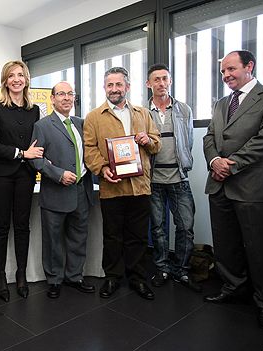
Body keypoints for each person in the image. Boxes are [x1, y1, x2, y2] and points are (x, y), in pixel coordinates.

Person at [202, 50, 263, 331]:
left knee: (259, 246)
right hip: (219, 183)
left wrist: (232, 164)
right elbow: (209, 137)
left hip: (252, 184)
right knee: (225, 243)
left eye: (231, 69)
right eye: (223, 72)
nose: (226, 75)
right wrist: (215, 160)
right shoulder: (220, 103)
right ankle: (234, 287)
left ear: (249, 66)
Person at [83, 67, 160, 301]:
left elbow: (156, 144)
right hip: (112, 186)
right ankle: (113, 277)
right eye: (110, 85)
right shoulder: (94, 117)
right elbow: (90, 150)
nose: (114, 89)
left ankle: (137, 277)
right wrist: (103, 169)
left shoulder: (143, 114)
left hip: (140, 186)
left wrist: (148, 140)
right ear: (104, 88)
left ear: (127, 87)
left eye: (118, 85)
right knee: (113, 235)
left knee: (138, 235)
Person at [0, 60, 44, 302]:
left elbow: (38, 143)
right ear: (5, 81)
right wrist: (21, 153)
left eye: (21, 75)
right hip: (1, 175)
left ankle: (21, 274)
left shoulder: (35, 110)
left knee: (22, 226)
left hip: (26, 176)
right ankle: (0, 275)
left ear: (27, 79)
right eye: (11, 76)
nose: (17, 79)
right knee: (1, 226)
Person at [29, 82, 95, 299]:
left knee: (78, 238)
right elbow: (36, 159)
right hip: (56, 191)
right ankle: (55, 280)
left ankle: (74, 276)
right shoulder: (43, 125)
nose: (66, 98)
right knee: (53, 240)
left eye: (70, 94)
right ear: (52, 99)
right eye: (61, 94)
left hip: (81, 191)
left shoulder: (81, 123)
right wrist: (58, 174)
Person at [145, 63, 201, 293]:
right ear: (148, 84)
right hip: (153, 179)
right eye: (156, 79)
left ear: (170, 81)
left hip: (178, 177)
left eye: (164, 79)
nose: (161, 83)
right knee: (158, 227)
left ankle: (182, 270)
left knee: (185, 226)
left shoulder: (184, 110)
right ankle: (162, 268)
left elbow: (187, 141)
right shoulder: (141, 112)